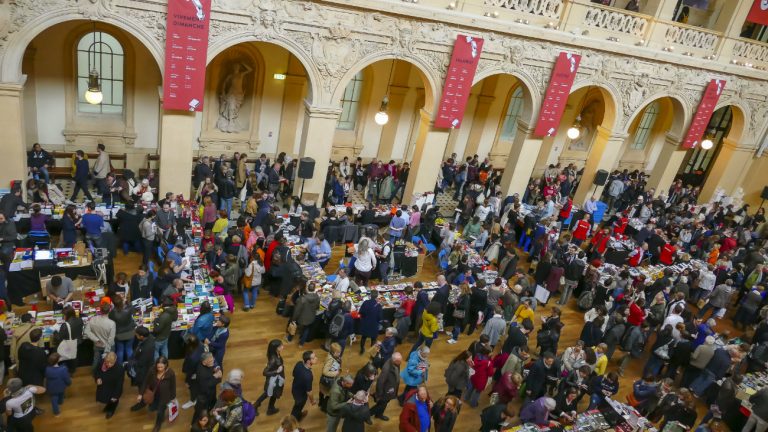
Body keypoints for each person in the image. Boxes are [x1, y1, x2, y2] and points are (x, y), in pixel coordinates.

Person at [131, 356, 177, 432]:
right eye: (158, 367)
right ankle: (140, 406)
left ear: (166, 365)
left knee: (160, 411)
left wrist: (173, 398)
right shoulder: (152, 370)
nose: (159, 369)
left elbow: (173, 386)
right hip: (153, 393)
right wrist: (140, 394)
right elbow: (145, 381)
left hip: (164, 397)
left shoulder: (170, 373)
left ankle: (157, 425)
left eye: (161, 367)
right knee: (150, 405)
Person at [255, 339, 285, 416]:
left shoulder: (277, 354)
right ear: (275, 348)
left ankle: (270, 408)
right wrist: (276, 371)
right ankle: (255, 406)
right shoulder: (273, 359)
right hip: (274, 380)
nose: (283, 346)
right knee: (268, 393)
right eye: (280, 346)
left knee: (273, 393)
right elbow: (265, 372)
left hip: (277, 378)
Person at [84, 303, 116, 370]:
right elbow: (111, 339)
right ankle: (108, 373)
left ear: (100, 310)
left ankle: (95, 373)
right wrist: (106, 351)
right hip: (108, 346)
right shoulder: (112, 323)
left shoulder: (92, 319)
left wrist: (96, 339)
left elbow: (86, 331)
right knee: (109, 361)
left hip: (97, 345)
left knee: (96, 359)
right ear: (110, 310)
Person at [371, 352, 401, 421]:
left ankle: (379, 414)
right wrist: (379, 394)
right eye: (399, 361)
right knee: (381, 405)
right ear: (394, 360)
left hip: (390, 390)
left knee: (384, 404)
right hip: (385, 392)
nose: (400, 362)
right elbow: (380, 382)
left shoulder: (396, 363)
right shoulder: (386, 369)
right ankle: (368, 414)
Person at [194, 352, 223, 422]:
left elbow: (215, 362)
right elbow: (207, 385)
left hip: (211, 393)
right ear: (204, 363)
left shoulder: (209, 361)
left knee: (213, 405)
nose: (213, 361)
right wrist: (216, 376)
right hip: (204, 396)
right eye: (210, 361)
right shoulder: (201, 373)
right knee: (201, 412)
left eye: (212, 359)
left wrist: (217, 369)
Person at [94, 351, 124, 419]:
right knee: (106, 398)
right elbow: (96, 371)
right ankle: (108, 406)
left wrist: (116, 396)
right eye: (107, 362)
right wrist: (97, 378)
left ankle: (111, 410)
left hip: (113, 388)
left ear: (115, 360)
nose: (109, 365)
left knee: (113, 400)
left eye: (111, 363)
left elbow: (119, 384)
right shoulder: (101, 363)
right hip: (104, 386)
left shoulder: (119, 369)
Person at [291, 283, 320, 347]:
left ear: (307, 288)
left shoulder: (302, 299)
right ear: (314, 289)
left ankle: (289, 339)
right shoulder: (317, 297)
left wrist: (293, 319)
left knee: (294, 327)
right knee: (306, 330)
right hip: (311, 317)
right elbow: (317, 307)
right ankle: (301, 344)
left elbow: (297, 311)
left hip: (301, 318)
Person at [291, 350, 318, 421]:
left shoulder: (299, 363)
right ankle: (293, 422)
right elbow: (309, 391)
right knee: (297, 409)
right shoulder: (308, 375)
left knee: (298, 407)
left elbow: (293, 374)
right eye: (314, 357)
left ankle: (299, 414)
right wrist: (312, 401)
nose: (316, 358)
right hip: (301, 396)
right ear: (308, 361)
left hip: (294, 389)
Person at [44, 353, 70, 417]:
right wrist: (69, 383)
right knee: (61, 395)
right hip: (61, 387)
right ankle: (60, 403)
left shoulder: (47, 369)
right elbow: (66, 379)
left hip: (51, 388)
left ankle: (56, 413)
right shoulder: (63, 369)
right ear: (57, 360)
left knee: (54, 399)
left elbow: (46, 377)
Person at [358, 290, 383, 354]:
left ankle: (362, 350)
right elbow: (380, 317)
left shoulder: (365, 302)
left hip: (365, 323)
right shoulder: (379, 306)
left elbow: (360, 312)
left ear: (370, 295)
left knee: (363, 337)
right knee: (373, 339)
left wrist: (364, 317)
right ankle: (372, 352)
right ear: (377, 296)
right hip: (374, 325)